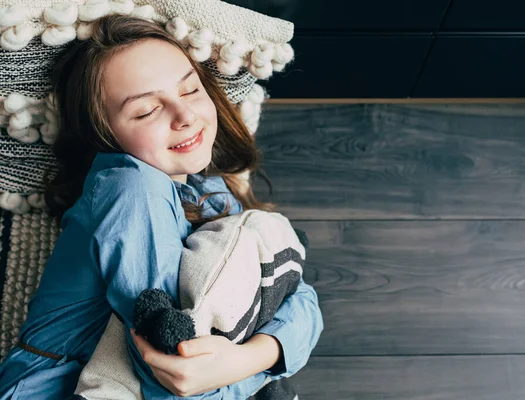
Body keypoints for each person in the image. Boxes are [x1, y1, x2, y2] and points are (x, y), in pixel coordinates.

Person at [0, 14, 323, 400]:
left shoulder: (214, 193)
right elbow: (172, 377)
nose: (185, 117)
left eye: (189, 91)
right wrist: (259, 364)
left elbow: (299, 297)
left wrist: (252, 357)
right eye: (146, 111)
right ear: (105, 134)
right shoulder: (128, 188)